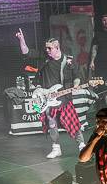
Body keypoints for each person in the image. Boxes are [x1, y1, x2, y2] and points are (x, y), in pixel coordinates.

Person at [17, 28, 85, 159]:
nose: (47, 51)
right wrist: (21, 39)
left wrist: (76, 85)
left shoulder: (68, 61)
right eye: (46, 48)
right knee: (51, 122)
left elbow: (77, 76)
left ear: (57, 48)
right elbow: (26, 52)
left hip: (64, 97)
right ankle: (56, 148)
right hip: (48, 98)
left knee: (71, 122)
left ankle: (82, 146)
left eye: (49, 49)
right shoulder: (45, 58)